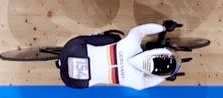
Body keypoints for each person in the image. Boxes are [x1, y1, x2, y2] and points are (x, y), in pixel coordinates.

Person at [57, 20, 188, 90]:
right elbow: (155, 80)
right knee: (117, 41)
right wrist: (166, 76)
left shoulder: (131, 43)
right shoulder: (138, 84)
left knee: (117, 38)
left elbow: (142, 30)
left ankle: (99, 36)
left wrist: (164, 27)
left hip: (75, 49)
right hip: (76, 81)